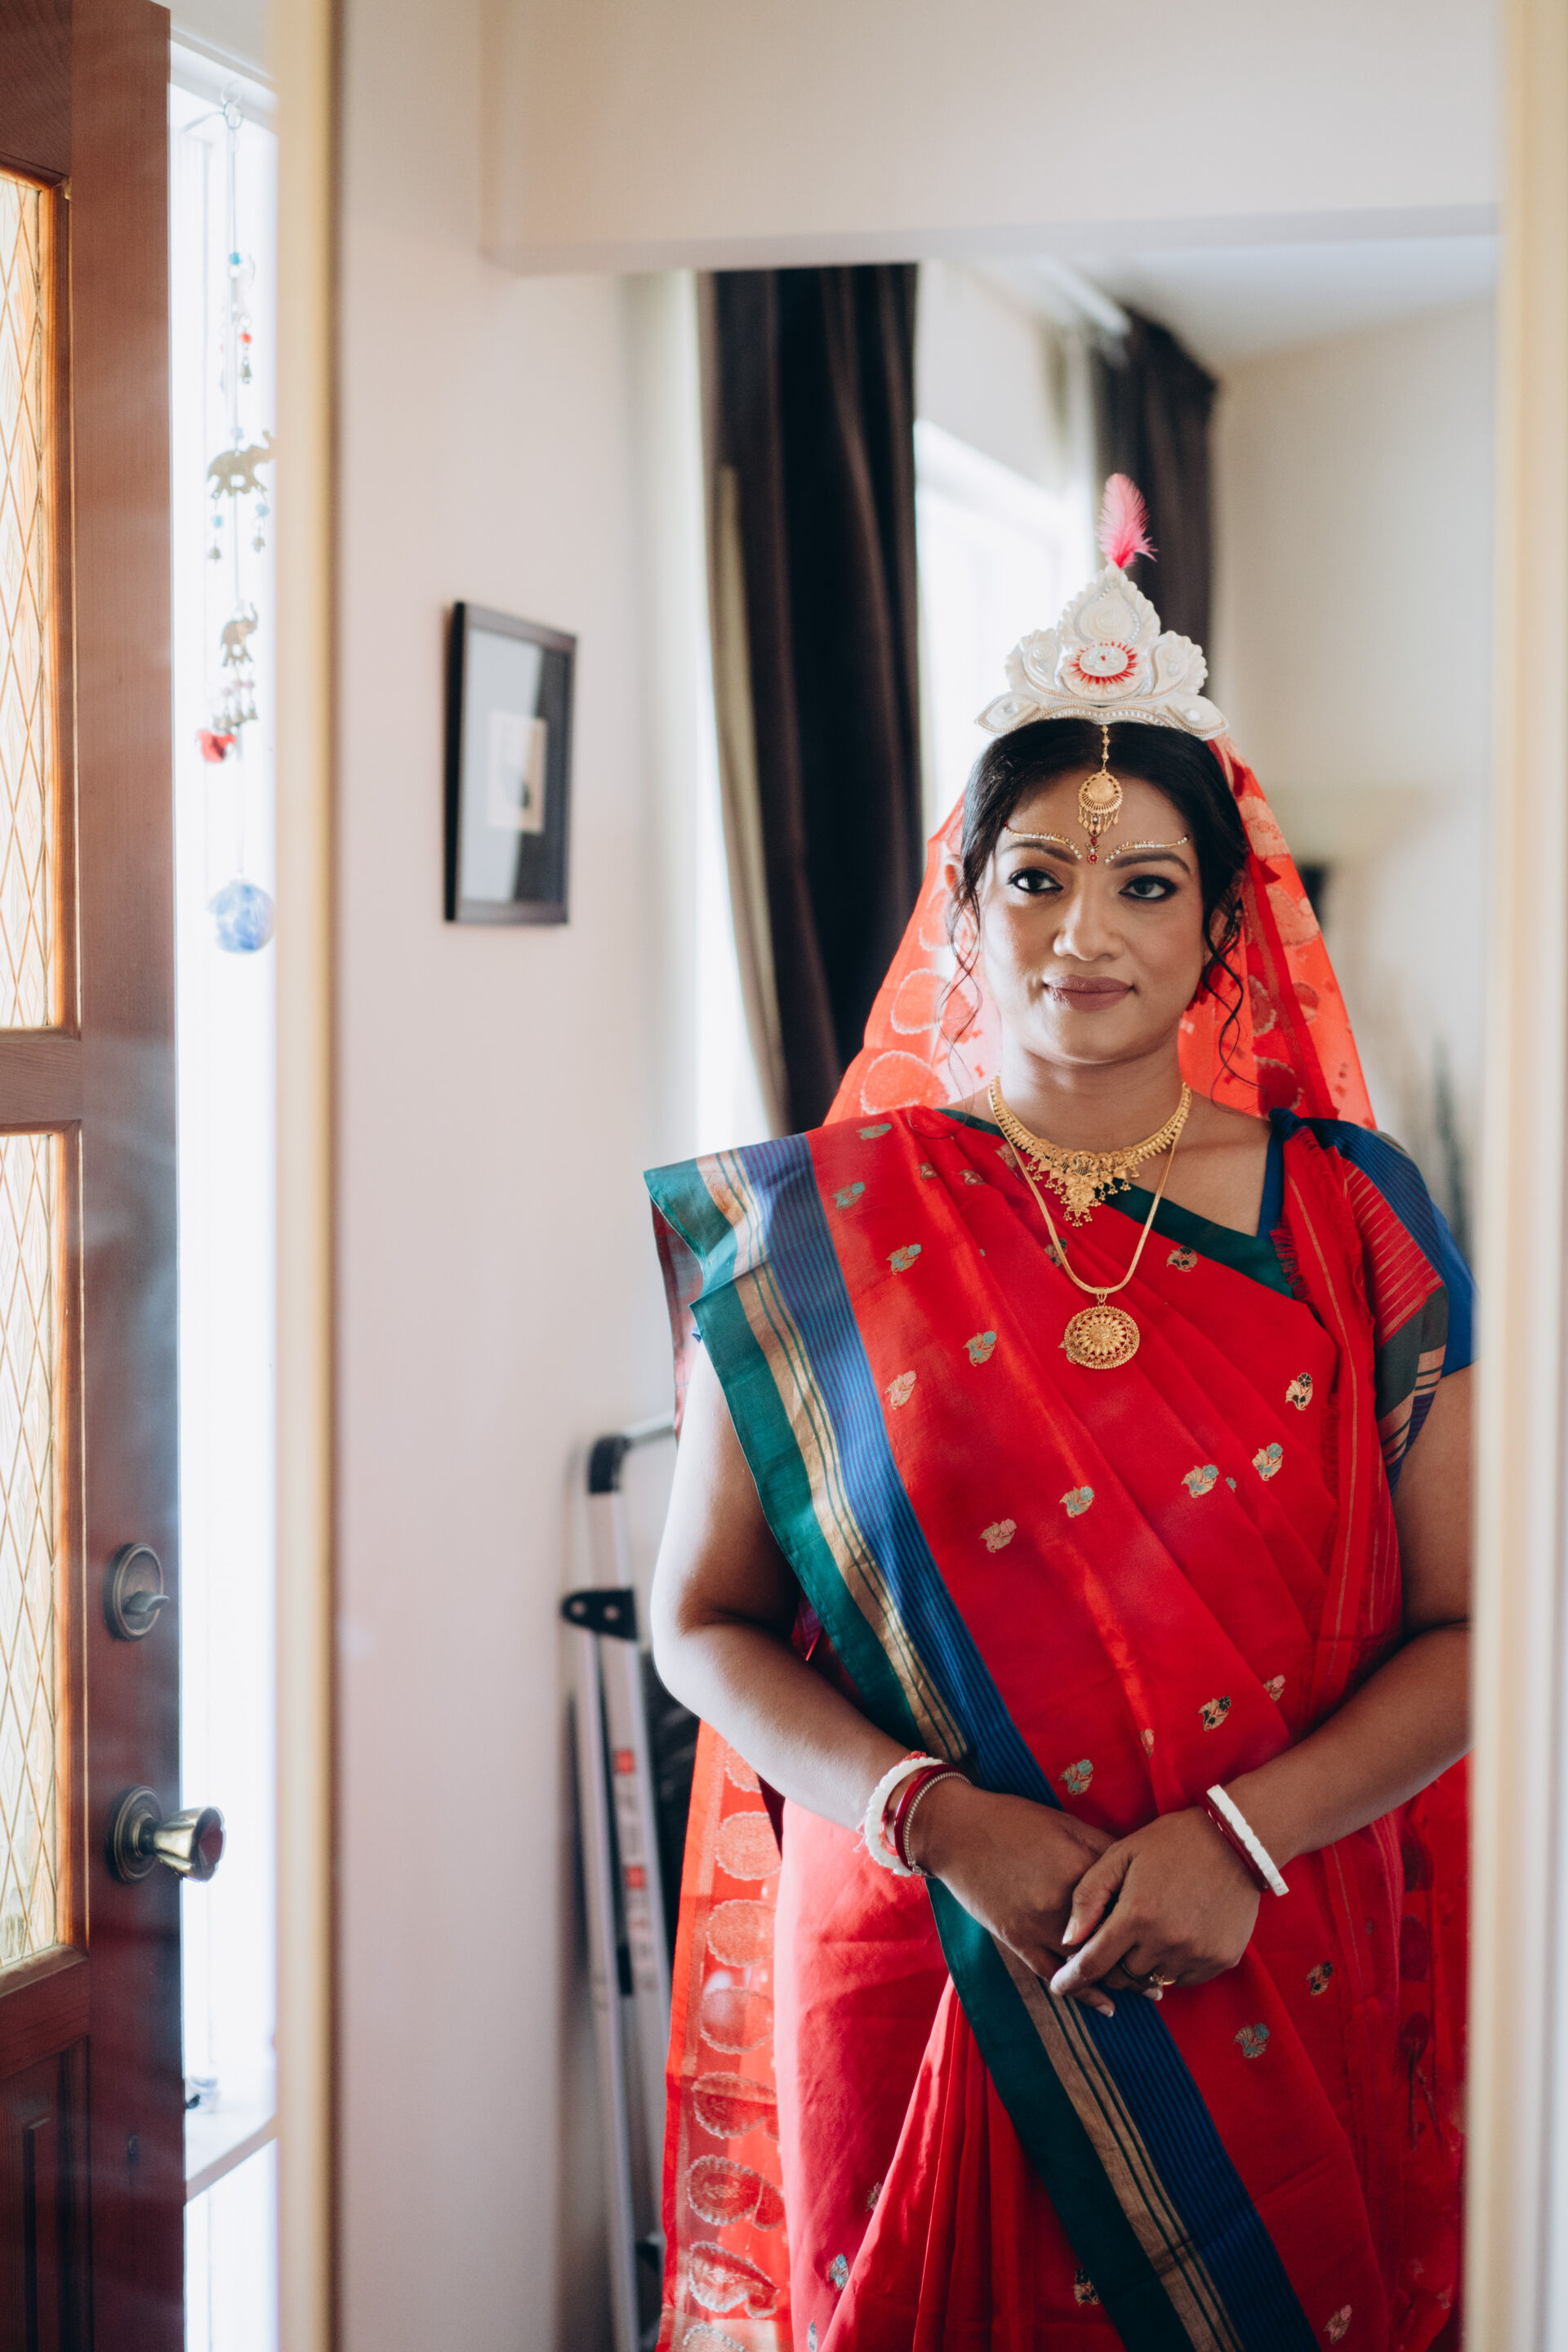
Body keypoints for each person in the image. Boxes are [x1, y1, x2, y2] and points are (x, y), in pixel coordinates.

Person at [644, 481, 1470, 2352]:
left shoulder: (1356, 1219)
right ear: (962, 907)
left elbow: (1474, 1628)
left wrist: (1239, 1843)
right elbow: (699, 1622)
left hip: (1263, 1939)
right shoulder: (818, 1233)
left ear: (1225, 927)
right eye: (1034, 876)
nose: (1083, 929)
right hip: (921, 1951)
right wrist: (932, 1817)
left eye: (1145, 884)